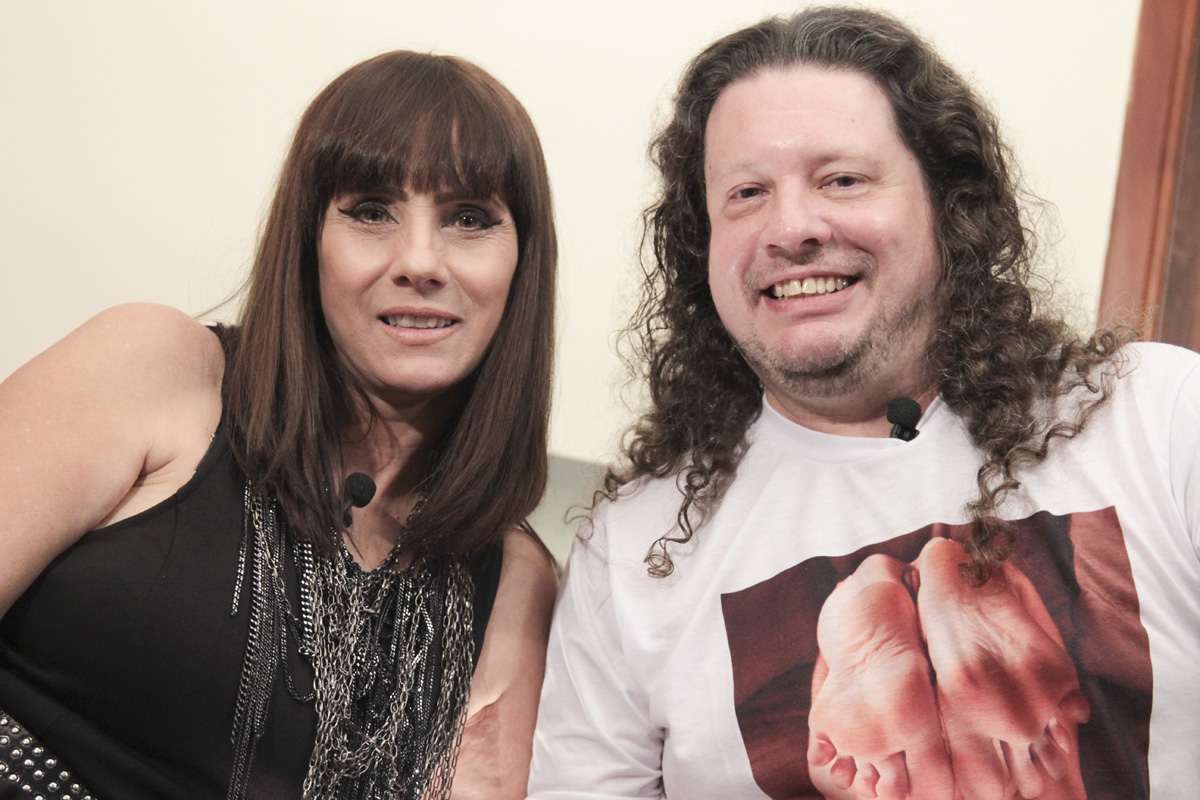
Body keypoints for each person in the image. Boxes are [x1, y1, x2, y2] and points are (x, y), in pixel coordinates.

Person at [528, 6, 1200, 800]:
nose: (791, 228)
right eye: (746, 193)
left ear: (947, 205)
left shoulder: (1160, 416)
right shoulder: (638, 547)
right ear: (702, 247)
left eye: (841, 180)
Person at [0, 50, 558, 800]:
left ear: (522, 263)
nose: (420, 261)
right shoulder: (155, 367)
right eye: (371, 211)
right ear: (308, 240)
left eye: (469, 219)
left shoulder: (515, 577)